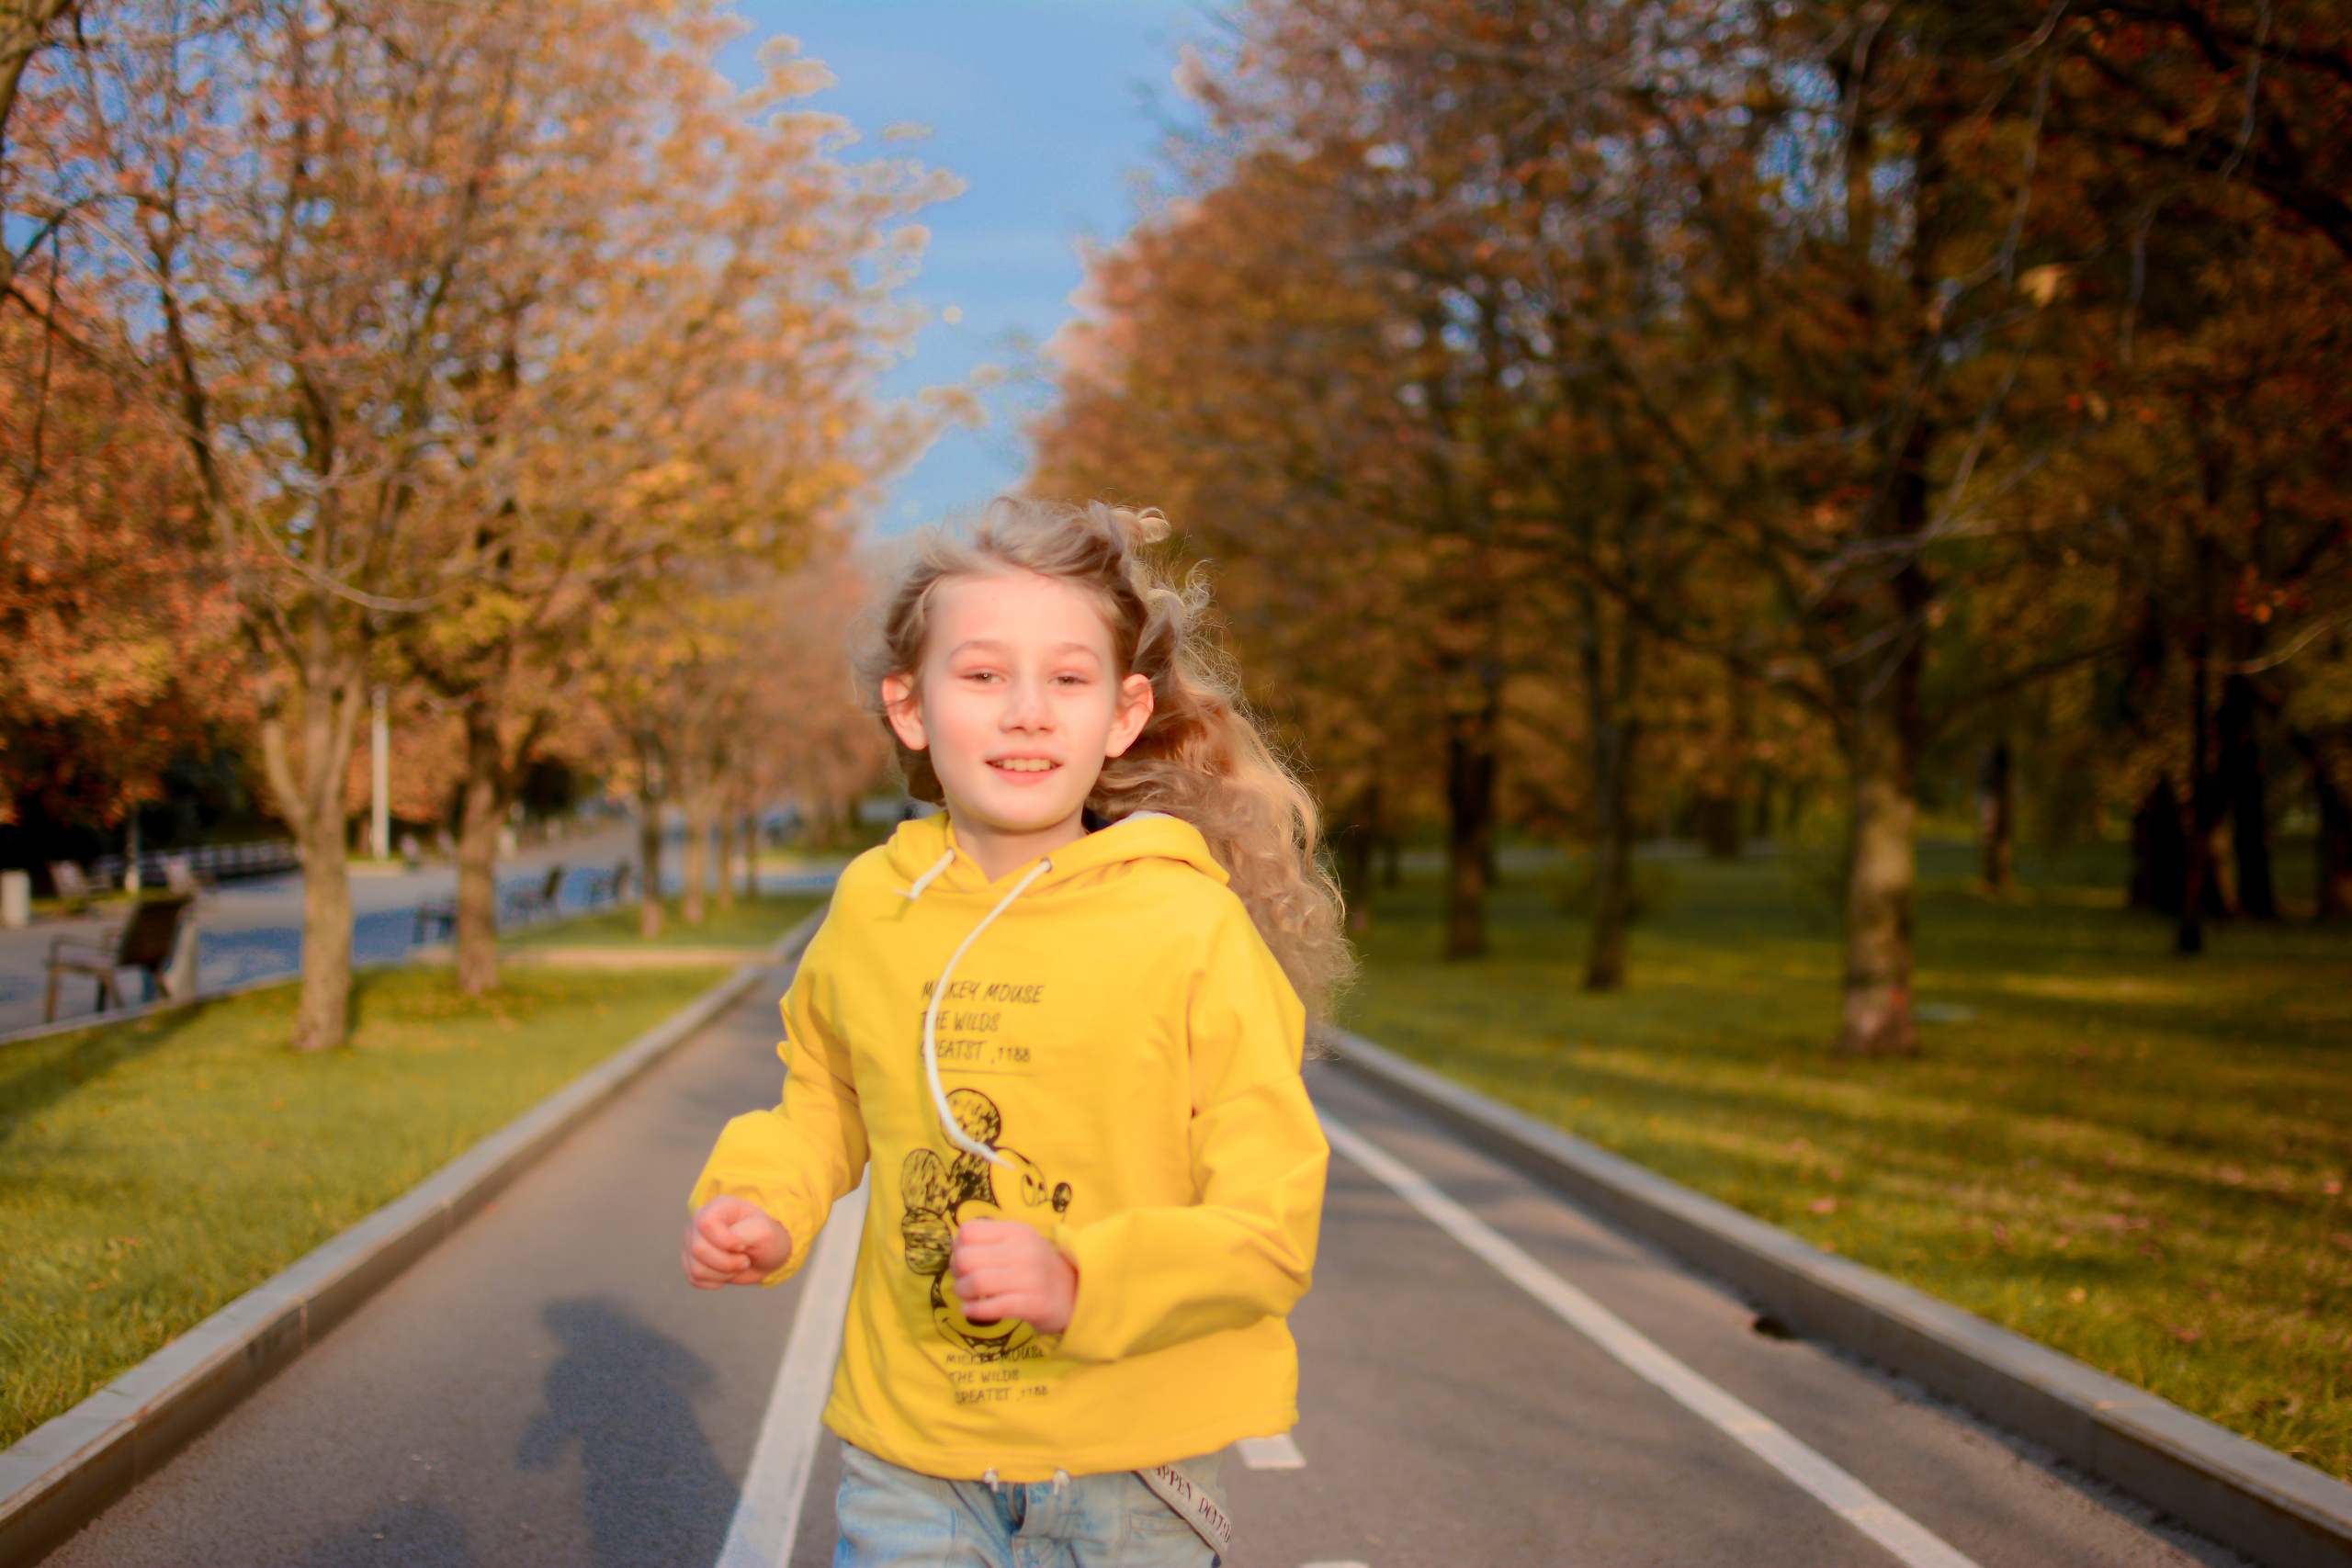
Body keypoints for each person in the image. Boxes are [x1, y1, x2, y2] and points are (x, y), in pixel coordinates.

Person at [680, 497, 1351, 1567]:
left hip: (1130, 1471)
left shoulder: (1186, 926)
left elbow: (1270, 1217)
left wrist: (1083, 1280)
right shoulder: (873, 905)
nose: (1027, 712)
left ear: (1124, 714)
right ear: (910, 706)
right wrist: (763, 1198)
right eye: (983, 674)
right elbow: (825, 1096)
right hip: (915, 1460)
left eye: (1068, 680)